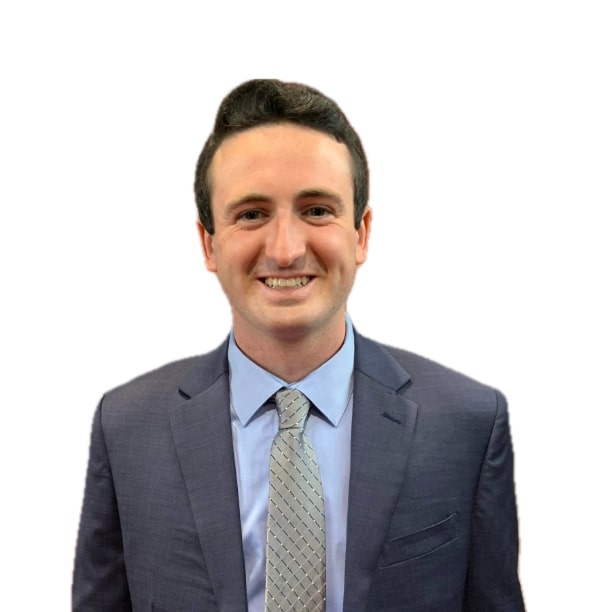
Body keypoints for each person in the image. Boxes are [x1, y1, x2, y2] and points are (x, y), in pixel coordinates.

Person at [72, 79, 525, 611]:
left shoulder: (467, 424)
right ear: (208, 244)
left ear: (361, 233)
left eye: (316, 210)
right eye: (251, 214)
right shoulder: (127, 427)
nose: (286, 250)